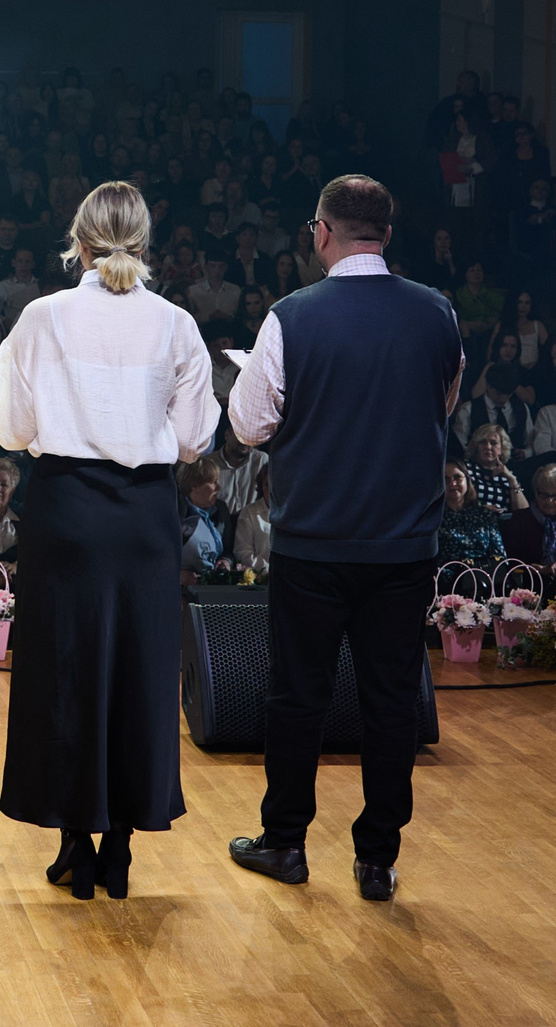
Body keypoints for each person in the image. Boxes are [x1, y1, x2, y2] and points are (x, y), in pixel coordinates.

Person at [225, 175, 462, 904]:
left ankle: (286, 843)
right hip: (403, 546)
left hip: (314, 545)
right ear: (386, 234)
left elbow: (249, 427)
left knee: (298, 696)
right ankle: (378, 858)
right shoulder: (437, 311)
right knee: (392, 701)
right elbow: (443, 402)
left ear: (322, 233)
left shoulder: (291, 316)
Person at [0, 185, 214, 901]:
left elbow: (13, 430)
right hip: (144, 514)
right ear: (143, 244)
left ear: (79, 243)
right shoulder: (176, 322)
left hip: (68, 509)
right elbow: (193, 438)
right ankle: (120, 847)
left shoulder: (43, 314)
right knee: (141, 671)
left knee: (66, 669)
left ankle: (74, 844)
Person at [436, 463, 506, 565]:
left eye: (457, 477)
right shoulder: (434, 518)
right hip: (449, 572)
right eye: (446, 479)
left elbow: (499, 555)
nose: (453, 483)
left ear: (467, 480)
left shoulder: (485, 514)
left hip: (485, 571)